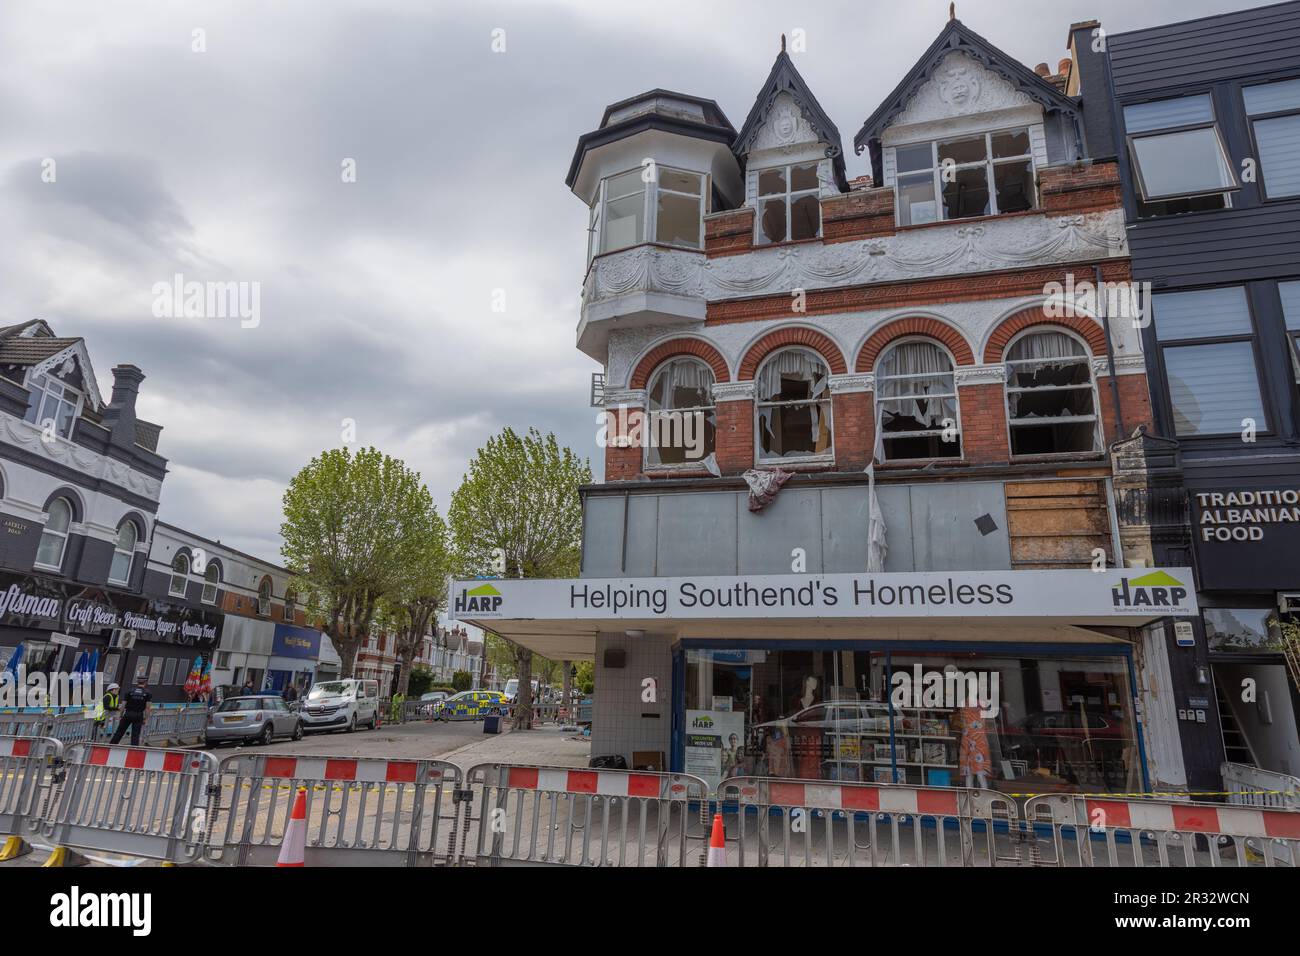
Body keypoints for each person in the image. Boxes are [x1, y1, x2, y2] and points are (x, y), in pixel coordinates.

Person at [110, 675, 153, 746]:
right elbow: (147, 707)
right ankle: (133, 750)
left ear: (137, 682)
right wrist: (146, 718)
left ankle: (110, 746)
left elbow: (123, 704)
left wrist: (120, 715)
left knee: (119, 732)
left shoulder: (130, 691)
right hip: (138, 715)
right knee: (135, 735)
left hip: (127, 714)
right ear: (146, 682)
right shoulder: (147, 693)